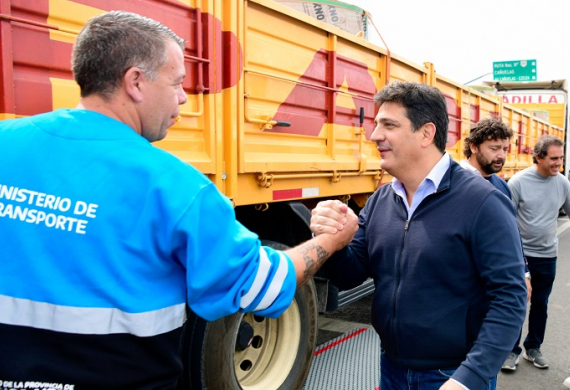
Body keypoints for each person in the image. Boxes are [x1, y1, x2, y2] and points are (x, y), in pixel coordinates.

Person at [0, 11, 358, 389]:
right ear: (135, 82)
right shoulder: (175, 186)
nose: (184, 98)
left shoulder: (7, 142)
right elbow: (261, 287)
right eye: (177, 83)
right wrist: (331, 241)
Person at [310, 81, 527, 390]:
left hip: (452, 375)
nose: (374, 136)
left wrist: (469, 379)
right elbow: (351, 274)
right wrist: (331, 239)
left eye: (389, 125)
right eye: (375, 125)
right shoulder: (381, 199)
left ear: (426, 133)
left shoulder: (483, 202)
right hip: (391, 368)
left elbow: (510, 297)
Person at [460, 118, 533, 371]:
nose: (501, 155)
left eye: (504, 148)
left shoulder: (501, 184)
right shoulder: (454, 182)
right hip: (461, 289)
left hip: (491, 284)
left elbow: (512, 234)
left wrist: (523, 272)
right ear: (473, 146)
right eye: (494, 148)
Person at [507, 134, 570, 370]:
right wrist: (518, 262)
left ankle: (533, 348)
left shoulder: (563, 182)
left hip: (547, 256)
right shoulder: (518, 182)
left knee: (540, 304)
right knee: (516, 302)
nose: (558, 163)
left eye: (561, 158)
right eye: (554, 158)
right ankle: (510, 351)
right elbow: (506, 222)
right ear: (538, 157)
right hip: (520, 256)